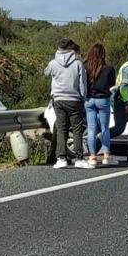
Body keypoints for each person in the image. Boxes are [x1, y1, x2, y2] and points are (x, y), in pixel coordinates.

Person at [44, 38, 88, 169]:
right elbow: (82, 83)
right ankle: (79, 158)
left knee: (61, 129)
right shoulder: (78, 63)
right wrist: (83, 97)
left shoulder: (53, 63)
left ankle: (61, 158)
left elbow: (46, 73)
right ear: (71, 49)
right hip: (74, 99)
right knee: (77, 129)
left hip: (58, 99)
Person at [84, 43, 117, 168]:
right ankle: (106, 156)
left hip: (89, 100)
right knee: (104, 128)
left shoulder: (85, 66)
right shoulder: (108, 68)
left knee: (91, 128)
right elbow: (112, 86)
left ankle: (92, 157)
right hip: (103, 100)